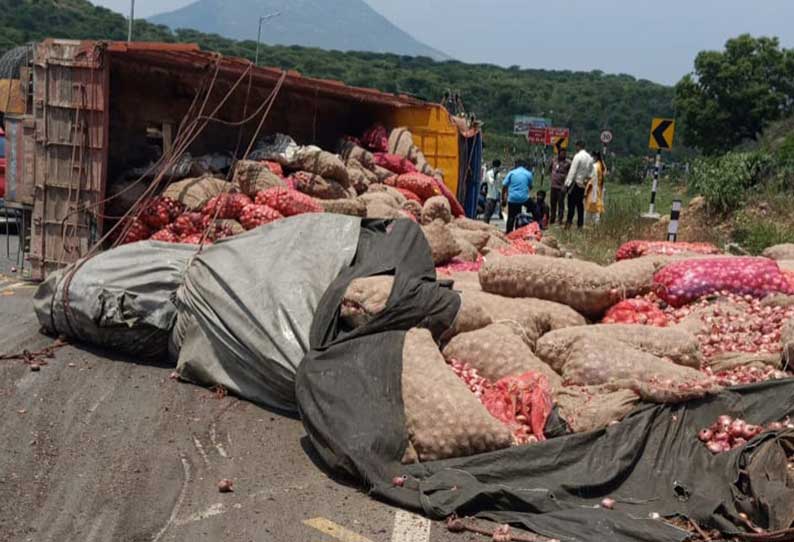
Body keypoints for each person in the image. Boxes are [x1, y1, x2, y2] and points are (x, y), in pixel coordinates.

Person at [564, 141, 595, 229]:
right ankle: (580, 224)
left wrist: (567, 184)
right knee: (580, 205)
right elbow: (591, 173)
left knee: (571, 205)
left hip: (574, 183)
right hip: (582, 184)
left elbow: (572, 171)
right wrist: (585, 181)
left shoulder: (577, 156)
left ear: (578, 146)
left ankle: (568, 223)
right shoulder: (589, 158)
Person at [501, 159, 533, 233]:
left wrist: (503, 199)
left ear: (516, 165)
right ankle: (538, 222)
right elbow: (530, 187)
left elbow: (504, 186)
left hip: (512, 199)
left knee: (511, 217)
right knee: (534, 208)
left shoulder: (511, 173)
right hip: (524, 198)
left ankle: (509, 232)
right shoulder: (528, 173)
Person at [548, 148, 571, 225]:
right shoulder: (554, 160)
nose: (563, 155)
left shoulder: (568, 163)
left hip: (561, 187)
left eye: (564, 153)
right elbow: (550, 169)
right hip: (553, 186)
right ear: (559, 153)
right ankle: (552, 218)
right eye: (562, 153)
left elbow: (570, 174)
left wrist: (566, 185)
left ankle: (560, 220)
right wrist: (551, 176)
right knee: (552, 203)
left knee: (561, 203)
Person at [585, 151, 607, 224]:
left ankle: (591, 223)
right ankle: (596, 222)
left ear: (595, 157)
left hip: (593, 189)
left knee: (591, 206)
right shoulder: (602, 165)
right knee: (597, 206)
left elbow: (592, 180)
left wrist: (586, 190)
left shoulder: (595, 166)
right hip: (599, 188)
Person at [482, 159, 503, 223]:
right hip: (490, 196)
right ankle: (485, 226)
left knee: (491, 212)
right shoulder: (489, 173)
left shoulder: (499, 175)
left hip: (496, 196)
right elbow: (491, 182)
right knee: (487, 214)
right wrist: (495, 175)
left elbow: (498, 186)